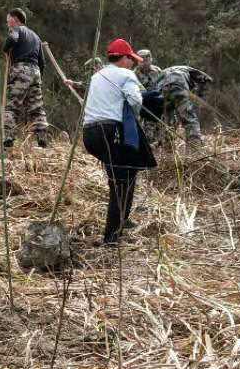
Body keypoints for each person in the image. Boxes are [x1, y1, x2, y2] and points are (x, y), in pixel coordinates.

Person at [82, 39, 156, 244]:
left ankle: (123, 220)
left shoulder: (96, 76)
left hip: (89, 134)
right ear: (123, 58)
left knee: (127, 173)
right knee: (121, 183)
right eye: (130, 59)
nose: (132, 63)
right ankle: (112, 237)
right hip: (110, 131)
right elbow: (135, 100)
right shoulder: (126, 74)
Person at [136, 49, 211, 143]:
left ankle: (170, 143)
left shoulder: (157, 70)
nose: (144, 62)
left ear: (151, 59)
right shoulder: (134, 74)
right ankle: (154, 144)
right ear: (138, 61)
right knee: (150, 132)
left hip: (162, 98)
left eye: (146, 59)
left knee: (171, 123)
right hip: (148, 103)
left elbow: (164, 84)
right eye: (141, 60)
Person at [1, 7, 49, 149]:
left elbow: (12, 39)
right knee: (37, 108)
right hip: (36, 72)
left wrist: (5, 49)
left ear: (15, 20)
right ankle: (42, 138)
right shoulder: (36, 37)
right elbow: (42, 63)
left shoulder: (17, 30)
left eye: (8, 20)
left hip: (21, 69)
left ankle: (8, 138)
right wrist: (37, 79)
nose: (7, 23)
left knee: (12, 105)